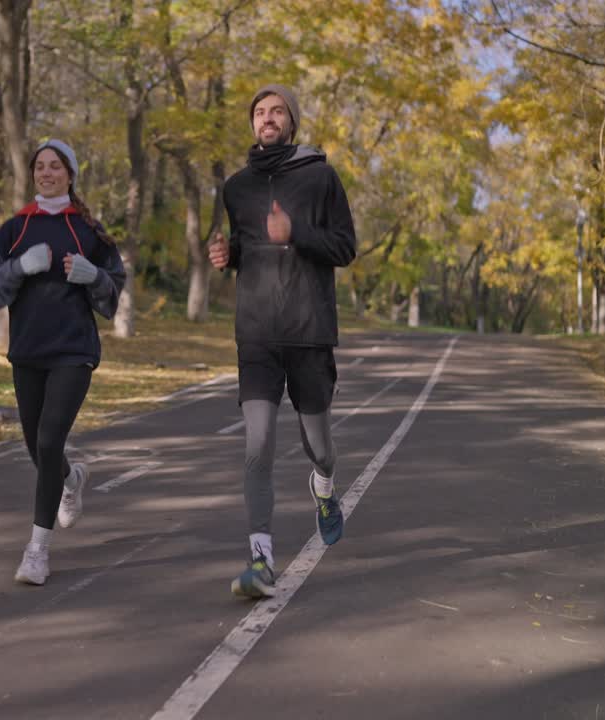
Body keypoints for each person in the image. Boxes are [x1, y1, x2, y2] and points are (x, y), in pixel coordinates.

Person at [207, 84, 357, 599]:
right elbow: (250, 250)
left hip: (309, 331)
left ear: (291, 121)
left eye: (276, 112)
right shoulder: (237, 187)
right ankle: (261, 560)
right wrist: (230, 258)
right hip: (256, 333)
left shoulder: (320, 177)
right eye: (259, 112)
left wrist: (297, 233)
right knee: (259, 444)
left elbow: (345, 247)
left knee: (320, 448)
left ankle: (324, 487)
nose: (267, 119)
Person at [0, 139, 126, 586]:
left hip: (74, 351)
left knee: (50, 437)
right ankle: (71, 479)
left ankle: (37, 551)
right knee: (38, 446)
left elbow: (114, 289)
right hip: (28, 351)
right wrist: (18, 269)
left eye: (55, 166)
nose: (47, 173)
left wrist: (94, 276)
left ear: (70, 174)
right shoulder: (16, 228)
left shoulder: (88, 230)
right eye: (40, 166)